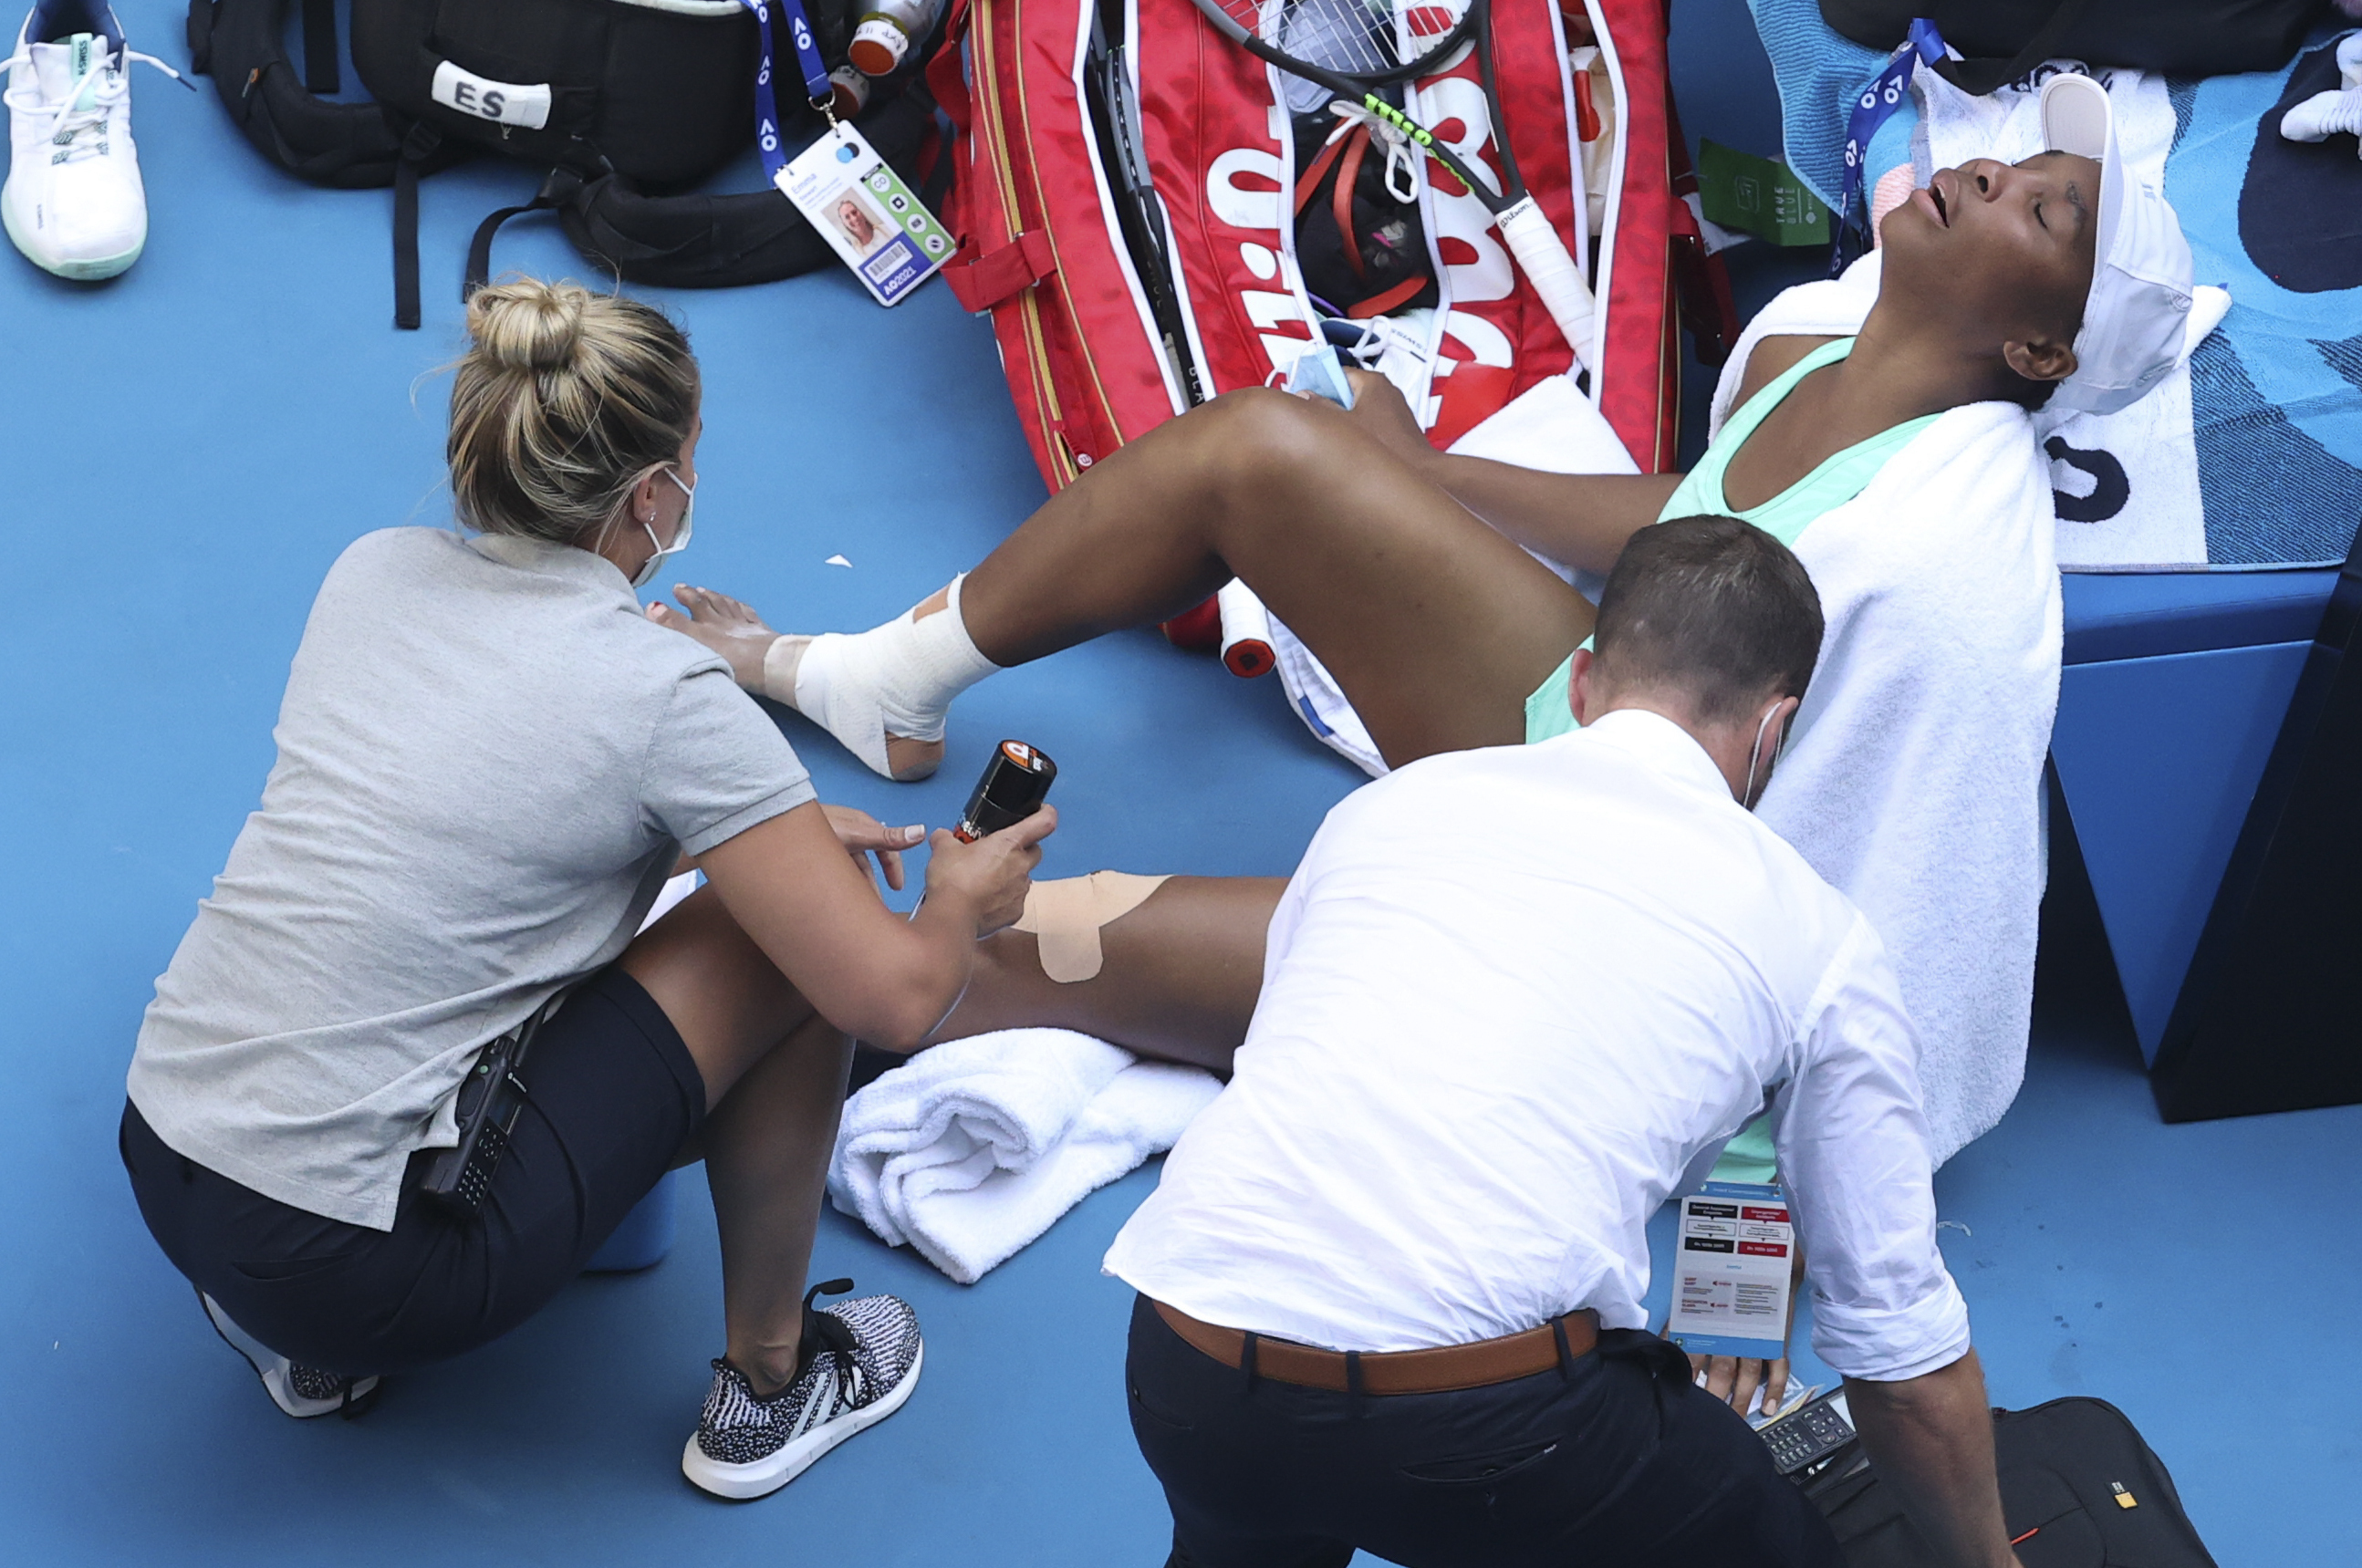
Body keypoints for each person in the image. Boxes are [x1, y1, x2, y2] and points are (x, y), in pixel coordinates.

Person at [652, 77, 2191, 1192]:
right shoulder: (1823, 326)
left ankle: (715, 983)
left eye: (2043, 210)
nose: (1989, 172)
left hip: (1630, 933)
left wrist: (1756, 1170)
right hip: (1593, 731)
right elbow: (1689, 524)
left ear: (2038, 346)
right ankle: (879, 681)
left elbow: (1882, 899)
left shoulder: (1938, 573)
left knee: (1028, 943)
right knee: (1258, 448)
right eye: (2017, 162)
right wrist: (1423, 472)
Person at [118, 279, 1054, 1501]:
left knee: (754, 889)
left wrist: (748, 835)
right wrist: (960, 899)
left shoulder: (373, 569)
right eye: (693, 458)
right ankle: (770, 1387)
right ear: (653, 495)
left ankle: (302, 1344)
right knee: (791, 937)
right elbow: (892, 999)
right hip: (360, 1267)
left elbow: (477, 813)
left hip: (167, 1158)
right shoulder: (667, 697)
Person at [1103, 515, 2017, 1568]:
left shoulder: (1390, 807)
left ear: (1581, 682)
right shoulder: (1819, 936)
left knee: (1261, 1500)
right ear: (1776, 729)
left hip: (1183, 1365)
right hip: (1476, 1436)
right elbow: (1904, 1366)